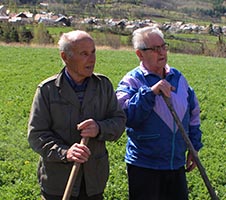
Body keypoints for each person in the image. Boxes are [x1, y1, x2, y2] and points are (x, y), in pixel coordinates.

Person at [28, 30, 126, 200]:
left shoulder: (103, 86)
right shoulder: (47, 90)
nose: (92, 59)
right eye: (84, 54)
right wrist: (65, 152)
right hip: (58, 183)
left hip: (93, 182)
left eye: (93, 52)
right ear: (65, 57)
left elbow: (119, 121)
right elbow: (36, 135)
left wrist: (99, 128)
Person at [116, 26, 203, 200]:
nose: (161, 52)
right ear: (139, 54)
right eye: (155, 49)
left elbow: (193, 114)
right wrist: (150, 92)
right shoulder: (132, 80)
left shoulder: (178, 78)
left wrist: (194, 147)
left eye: (163, 46)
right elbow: (126, 115)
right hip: (145, 166)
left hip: (175, 164)